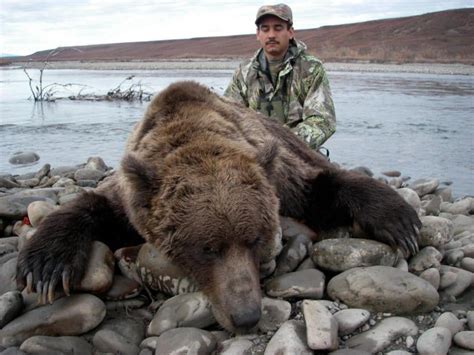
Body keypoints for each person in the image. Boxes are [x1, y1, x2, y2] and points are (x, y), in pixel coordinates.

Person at [224, 3, 336, 150]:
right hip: (254, 153)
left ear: (290, 32)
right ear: (258, 34)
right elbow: (229, 117)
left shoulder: (311, 69)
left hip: (298, 155)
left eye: (278, 28)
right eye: (265, 29)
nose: (271, 35)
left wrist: (283, 145)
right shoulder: (244, 72)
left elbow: (322, 121)